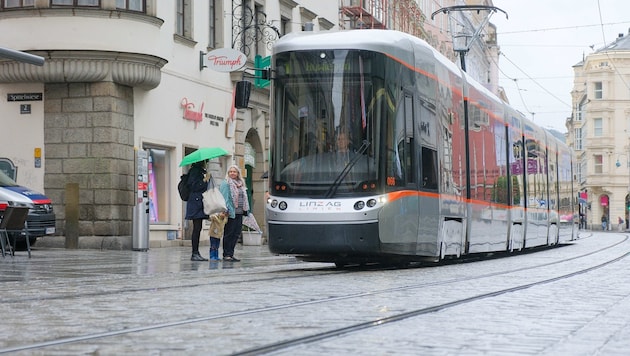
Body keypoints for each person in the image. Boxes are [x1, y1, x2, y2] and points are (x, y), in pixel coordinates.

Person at [219, 164, 250, 262]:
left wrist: (246, 210)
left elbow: (244, 197)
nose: (232, 173)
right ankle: (226, 254)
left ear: (238, 173)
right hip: (230, 212)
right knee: (229, 233)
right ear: (228, 173)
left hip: (240, 212)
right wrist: (225, 210)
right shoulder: (226, 183)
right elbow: (224, 198)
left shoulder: (240, 184)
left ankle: (231, 253)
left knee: (236, 234)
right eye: (230, 172)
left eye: (234, 171)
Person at [185, 160, 210, 261]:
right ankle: (194, 253)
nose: (206, 163)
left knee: (198, 228)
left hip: (198, 203)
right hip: (195, 203)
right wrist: (204, 180)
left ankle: (196, 252)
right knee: (196, 229)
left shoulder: (200, 171)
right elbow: (194, 186)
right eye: (205, 161)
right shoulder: (195, 171)